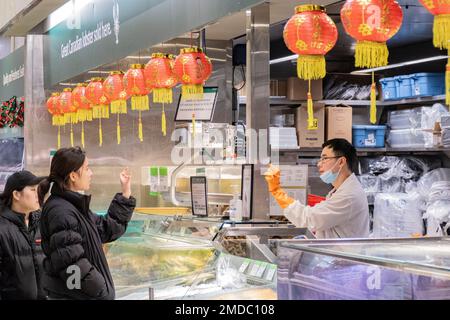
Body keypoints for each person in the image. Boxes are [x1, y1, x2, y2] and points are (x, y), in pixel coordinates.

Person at [38, 147, 136, 300]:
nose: (91, 173)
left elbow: (106, 229)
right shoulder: (61, 211)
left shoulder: (73, 206)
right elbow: (70, 264)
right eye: (87, 169)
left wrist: (125, 193)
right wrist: (100, 290)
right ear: (73, 176)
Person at [265, 138, 369, 239]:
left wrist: (277, 192)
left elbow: (309, 219)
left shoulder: (349, 195)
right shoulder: (341, 191)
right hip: (335, 254)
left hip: (341, 255)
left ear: (341, 162)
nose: (319, 164)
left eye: (324, 159)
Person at [0, 170, 46, 300]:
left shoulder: (42, 223)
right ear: (16, 194)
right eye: (32, 190)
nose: (38, 194)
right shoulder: (2, 229)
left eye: (39, 189)